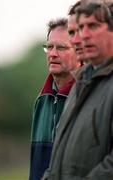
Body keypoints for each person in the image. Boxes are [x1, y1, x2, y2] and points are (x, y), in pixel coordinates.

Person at [42, 1, 113, 180]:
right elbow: (57, 161)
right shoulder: (80, 84)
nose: (80, 37)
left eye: (93, 26)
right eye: (78, 29)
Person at [29, 18, 80, 180]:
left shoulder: (88, 97)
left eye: (61, 47)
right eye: (49, 47)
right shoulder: (41, 100)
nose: (52, 53)